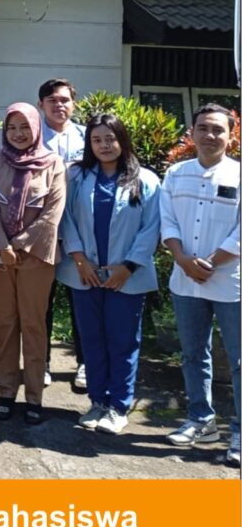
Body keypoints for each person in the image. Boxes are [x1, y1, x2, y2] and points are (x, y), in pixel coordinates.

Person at [56, 115, 161, 434]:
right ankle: (97, 402)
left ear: (122, 140)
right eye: (96, 140)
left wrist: (128, 267)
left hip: (126, 277)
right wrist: (79, 260)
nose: (104, 145)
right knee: (91, 340)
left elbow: (151, 228)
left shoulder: (146, 180)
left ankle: (118, 406)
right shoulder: (76, 176)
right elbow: (65, 218)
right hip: (85, 274)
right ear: (89, 144)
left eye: (110, 138)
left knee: (122, 342)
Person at [160, 104, 240, 467]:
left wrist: (211, 262)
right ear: (191, 133)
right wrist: (183, 259)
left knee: (239, 361)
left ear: (231, 136)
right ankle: (200, 420)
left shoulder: (238, 174)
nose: (210, 135)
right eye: (203, 128)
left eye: (218, 130)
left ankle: (239, 431)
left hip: (230, 283)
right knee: (193, 354)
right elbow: (167, 221)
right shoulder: (176, 174)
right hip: (185, 281)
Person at [0, 103, 66, 425]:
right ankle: (6, 391)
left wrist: (18, 245)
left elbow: (52, 213)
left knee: (33, 325)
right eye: (12, 127)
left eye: (25, 127)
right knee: (4, 323)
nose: (18, 134)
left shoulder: (53, 163)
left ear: (36, 128)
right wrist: (2, 247)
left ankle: (34, 396)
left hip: (36, 257)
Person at [38, 77, 87, 391]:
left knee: (81, 300)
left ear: (74, 104)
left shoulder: (87, 137)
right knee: (41, 300)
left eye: (65, 100)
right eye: (52, 100)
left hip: (80, 230)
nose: (59, 105)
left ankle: (84, 363)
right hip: (43, 230)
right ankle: (40, 362)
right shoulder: (31, 135)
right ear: (41, 104)